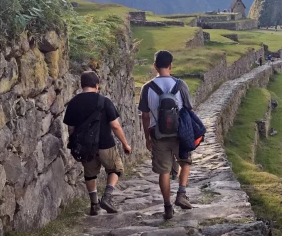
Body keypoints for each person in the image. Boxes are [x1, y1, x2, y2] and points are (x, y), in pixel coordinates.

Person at [64, 71, 132, 216]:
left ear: (81, 85)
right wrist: (125, 144)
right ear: (96, 85)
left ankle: (94, 205)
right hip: (105, 144)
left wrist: (75, 144)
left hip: (85, 147)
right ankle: (106, 197)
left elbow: (71, 128)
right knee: (116, 168)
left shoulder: (73, 102)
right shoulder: (103, 101)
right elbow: (115, 126)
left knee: (90, 174)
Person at [138, 50, 195, 219]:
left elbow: (145, 115)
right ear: (171, 65)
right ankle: (181, 193)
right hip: (179, 133)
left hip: (158, 135)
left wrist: (147, 138)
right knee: (185, 162)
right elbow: (189, 109)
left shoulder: (147, 88)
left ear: (155, 66)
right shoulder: (180, 85)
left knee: (164, 172)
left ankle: (167, 206)